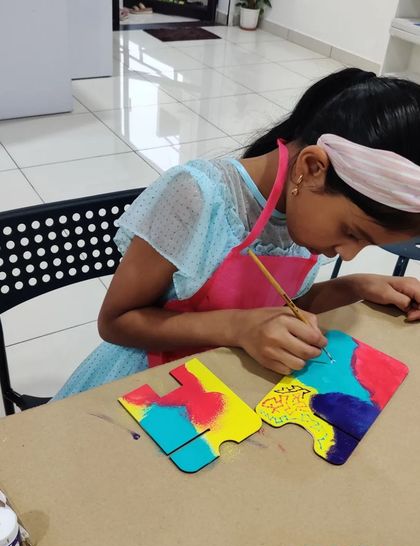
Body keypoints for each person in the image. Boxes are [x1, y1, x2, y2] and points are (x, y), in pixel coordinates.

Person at [54, 68, 420, 400]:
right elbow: (116, 321)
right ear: (311, 168)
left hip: (222, 384)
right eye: (352, 233)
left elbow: (283, 306)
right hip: (145, 386)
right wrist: (237, 328)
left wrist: (356, 287)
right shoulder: (197, 196)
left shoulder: (303, 211)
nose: (347, 254)